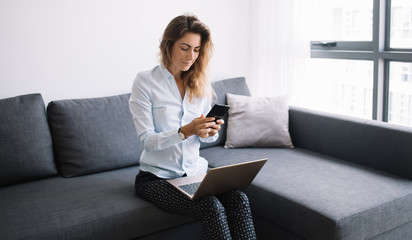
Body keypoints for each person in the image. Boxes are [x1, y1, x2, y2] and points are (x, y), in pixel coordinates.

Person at [129, 13, 256, 240]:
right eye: (185, 48)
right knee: (211, 206)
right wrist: (186, 130)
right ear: (168, 45)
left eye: (196, 50)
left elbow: (205, 140)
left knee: (239, 198)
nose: (191, 57)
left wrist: (209, 132)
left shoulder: (199, 83)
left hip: (195, 173)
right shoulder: (145, 81)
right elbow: (147, 140)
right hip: (157, 178)